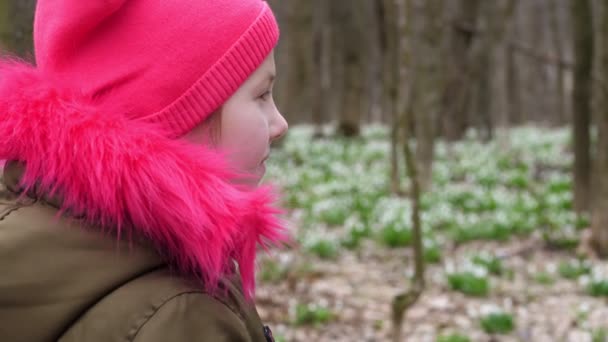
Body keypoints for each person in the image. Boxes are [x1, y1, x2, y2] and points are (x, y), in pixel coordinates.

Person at [0, 0, 288, 341]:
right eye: (262, 95)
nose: (279, 124)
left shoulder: (28, 227)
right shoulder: (186, 318)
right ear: (182, 115)